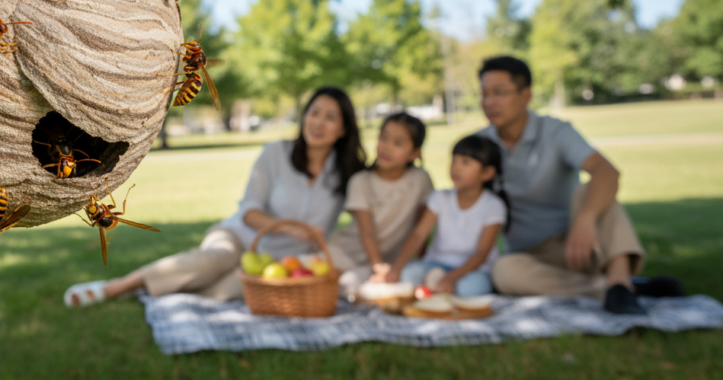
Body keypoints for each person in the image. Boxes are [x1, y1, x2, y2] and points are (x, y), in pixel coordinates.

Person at [64, 86, 366, 307]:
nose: (318, 122)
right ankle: (118, 286)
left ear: (343, 129)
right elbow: (249, 211)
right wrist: (291, 227)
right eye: (314, 113)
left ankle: (153, 291)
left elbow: (368, 215)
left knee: (224, 291)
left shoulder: (348, 176)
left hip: (281, 261)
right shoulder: (275, 153)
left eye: (330, 117)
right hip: (237, 236)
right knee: (214, 260)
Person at [477, 56, 683, 314]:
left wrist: (586, 219)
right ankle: (617, 289)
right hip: (528, 257)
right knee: (503, 272)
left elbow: (607, 171)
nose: (489, 103)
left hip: (581, 246)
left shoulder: (556, 132)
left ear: (526, 95)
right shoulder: (478, 145)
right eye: (484, 94)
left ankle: (619, 279)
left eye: (499, 93)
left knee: (591, 189)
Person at [384, 135, 507, 296]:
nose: (456, 168)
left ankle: (435, 288)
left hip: (472, 270)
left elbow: (482, 253)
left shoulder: (493, 206)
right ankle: (435, 288)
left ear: (487, 173)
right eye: (454, 160)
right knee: (408, 274)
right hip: (436, 264)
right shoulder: (440, 198)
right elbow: (418, 235)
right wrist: (396, 268)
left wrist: (452, 277)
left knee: (468, 289)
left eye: (465, 163)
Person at [327, 112, 434, 298]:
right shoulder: (361, 182)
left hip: (391, 262)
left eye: (398, 143)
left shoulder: (421, 180)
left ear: (415, 153)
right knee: (340, 286)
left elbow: (421, 230)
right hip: (346, 254)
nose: (386, 147)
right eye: (383, 138)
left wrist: (404, 264)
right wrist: (378, 266)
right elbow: (366, 232)